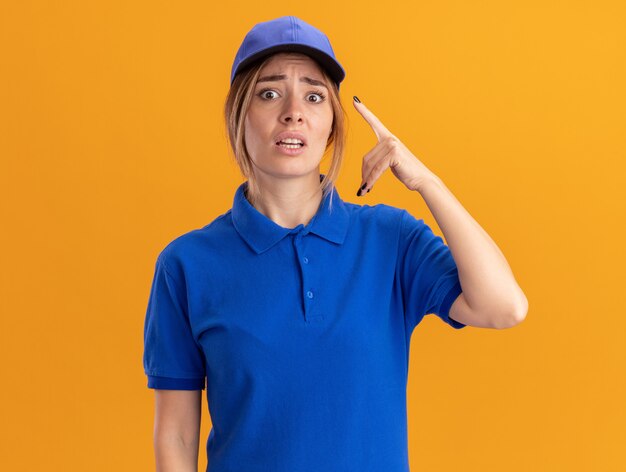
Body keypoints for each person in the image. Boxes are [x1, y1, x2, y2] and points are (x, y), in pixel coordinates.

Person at [143, 15, 528, 472]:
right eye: (269, 93)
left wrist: (427, 182)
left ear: (332, 125)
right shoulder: (186, 265)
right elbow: (177, 434)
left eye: (314, 95)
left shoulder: (391, 239)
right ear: (238, 114)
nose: (294, 111)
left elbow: (504, 307)